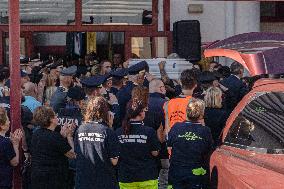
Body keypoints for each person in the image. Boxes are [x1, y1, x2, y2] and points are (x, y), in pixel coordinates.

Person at [75, 96, 120, 189]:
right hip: (104, 181)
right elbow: (114, 161)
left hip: (83, 180)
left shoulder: (80, 129)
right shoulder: (107, 131)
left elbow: (77, 153)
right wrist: (110, 126)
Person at [167, 98, 213, 189]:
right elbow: (208, 150)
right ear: (202, 114)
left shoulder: (176, 127)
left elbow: (169, 145)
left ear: (186, 111)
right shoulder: (205, 130)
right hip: (195, 172)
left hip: (176, 171)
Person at [115, 99, 161, 189]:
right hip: (147, 176)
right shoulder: (149, 131)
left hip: (126, 177)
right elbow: (155, 152)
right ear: (141, 113)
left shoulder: (118, 132)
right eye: (144, 110)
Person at [31, 106, 76, 189]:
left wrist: (62, 136)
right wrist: (69, 136)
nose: (57, 116)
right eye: (55, 115)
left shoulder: (36, 134)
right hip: (53, 178)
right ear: (51, 119)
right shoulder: (55, 137)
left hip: (37, 175)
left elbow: (50, 147)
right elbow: (72, 154)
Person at [143, 79, 169, 189]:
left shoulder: (142, 103)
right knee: (163, 177)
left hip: (143, 147)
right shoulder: (166, 104)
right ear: (161, 88)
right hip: (162, 147)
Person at [163, 69, 197, 133]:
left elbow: (167, 128)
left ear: (180, 83)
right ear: (195, 85)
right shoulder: (196, 103)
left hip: (173, 139)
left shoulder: (168, 103)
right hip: (189, 139)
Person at [0, 108, 23, 189]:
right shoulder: (5, 143)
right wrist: (16, 144)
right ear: (2, 126)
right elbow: (15, 162)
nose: (9, 122)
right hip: (3, 181)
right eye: (7, 120)